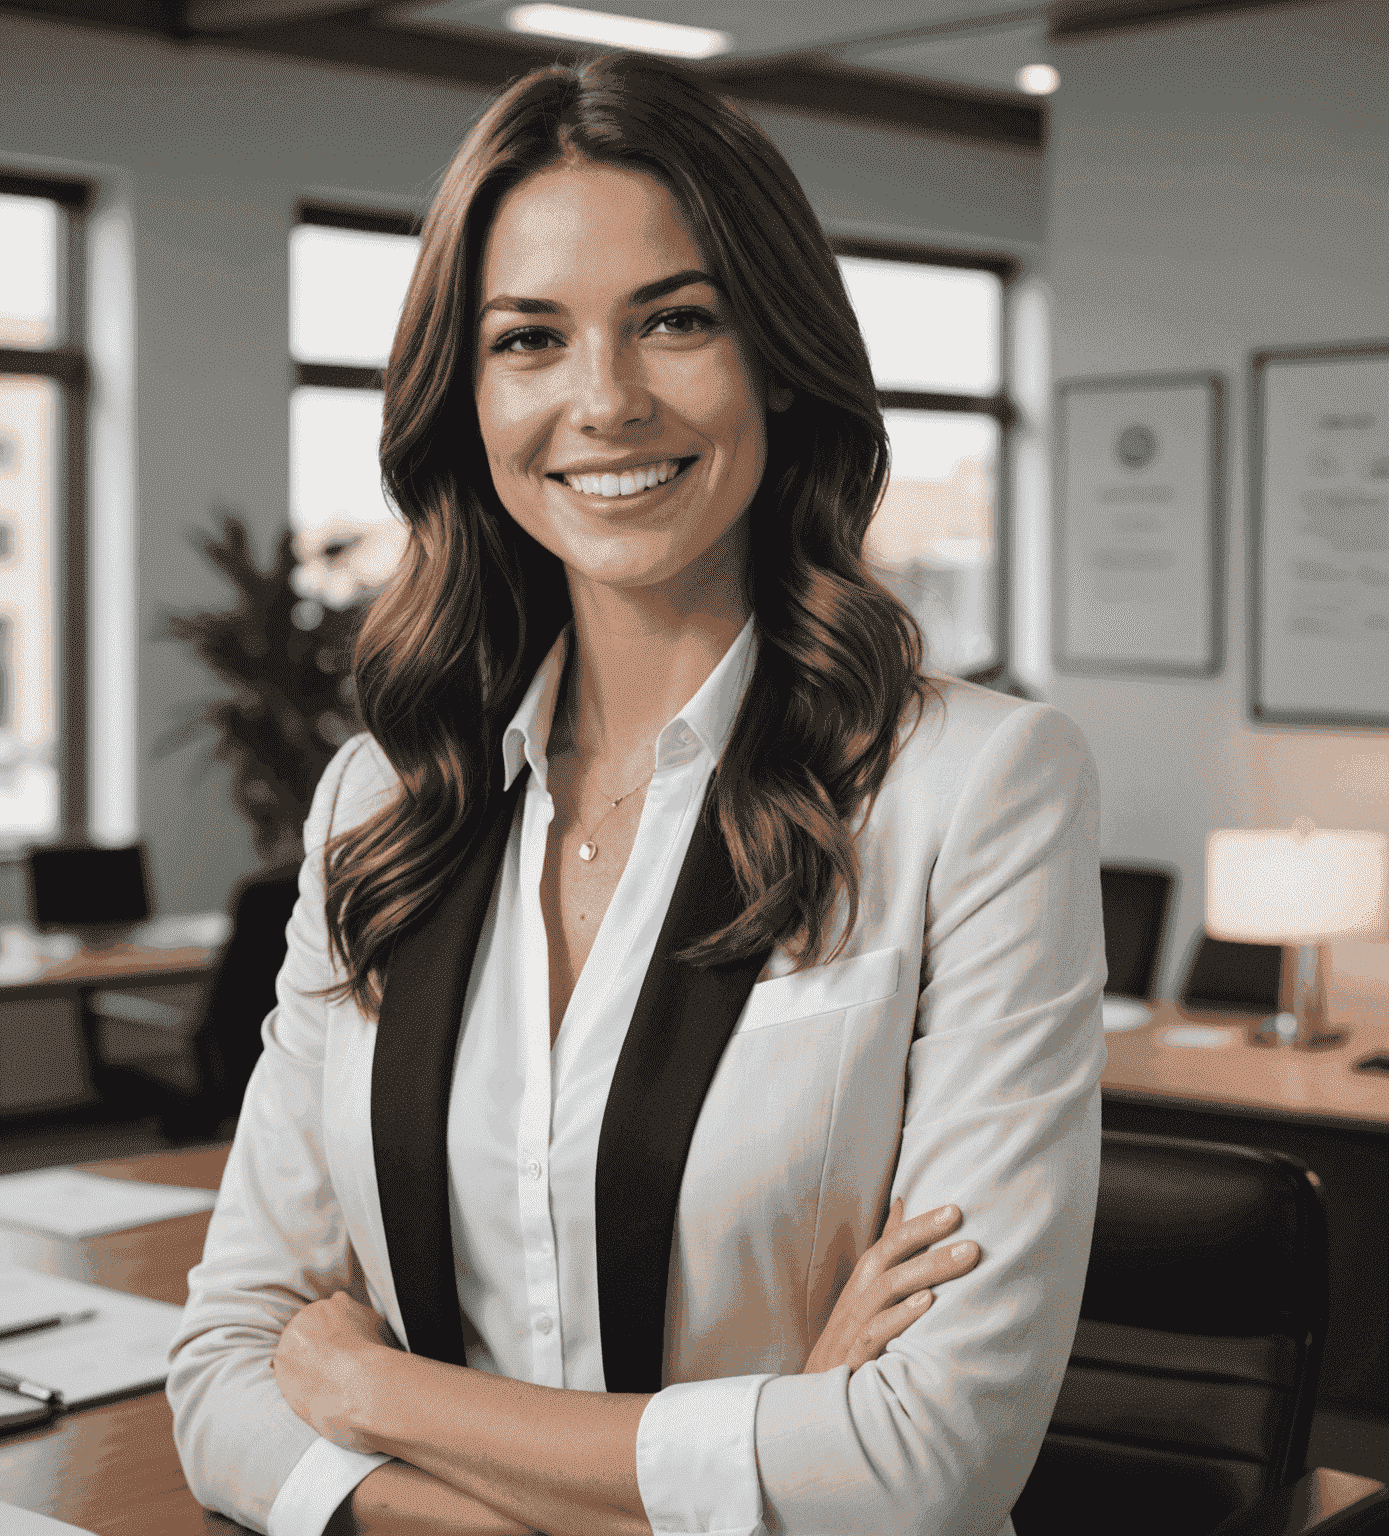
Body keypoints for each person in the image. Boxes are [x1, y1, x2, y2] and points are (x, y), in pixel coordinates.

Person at [167, 51, 1106, 1536]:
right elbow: (220, 1375)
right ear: (464, 398)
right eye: (529, 339)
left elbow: (935, 1459)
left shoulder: (973, 788)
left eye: (675, 320)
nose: (603, 401)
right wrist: (753, 1455)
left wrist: (376, 1394)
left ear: (777, 354)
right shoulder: (381, 805)